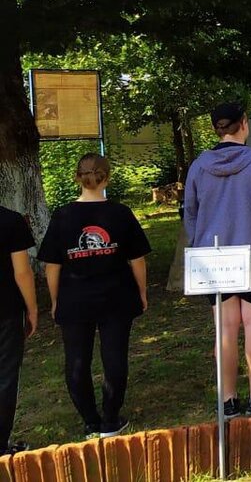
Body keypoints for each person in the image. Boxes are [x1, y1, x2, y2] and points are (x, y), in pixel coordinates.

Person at [185, 103, 251, 418]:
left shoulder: (198, 167)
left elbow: (190, 213)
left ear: (215, 128)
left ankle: (228, 399)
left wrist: (197, 244)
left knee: (225, 328)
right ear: (244, 123)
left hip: (213, 256)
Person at [39, 154, 149, 438]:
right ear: (107, 177)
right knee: (115, 356)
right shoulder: (120, 213)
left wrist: (55, 299)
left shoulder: (62, 216)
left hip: (74, 298)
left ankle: (91, 421)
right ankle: (110, 420)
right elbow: (137, 259)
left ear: (77, 178)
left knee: (77, 359)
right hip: (117, 296)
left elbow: (52, 265)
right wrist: (142, 291)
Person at [1, 205, 37, 454]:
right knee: (5, 377)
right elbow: (22, 272)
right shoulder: (10, 220)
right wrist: (32, 308)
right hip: (6, 311)